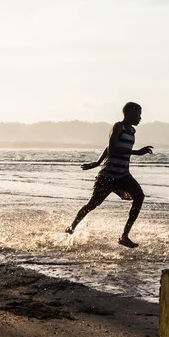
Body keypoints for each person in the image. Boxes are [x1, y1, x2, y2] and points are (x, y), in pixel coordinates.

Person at [66, 102, 154, 248]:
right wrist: (136, 153)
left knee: (139, 196)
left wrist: (97, 162)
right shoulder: (118, 126)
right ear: (129, 114)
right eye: (138, 114)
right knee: (92, 204)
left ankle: (124, 236)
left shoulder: (132, 130)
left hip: (124, 174)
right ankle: (71, 227)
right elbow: (112, 147)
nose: (140, 118)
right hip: (108, 175)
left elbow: (108, 148)